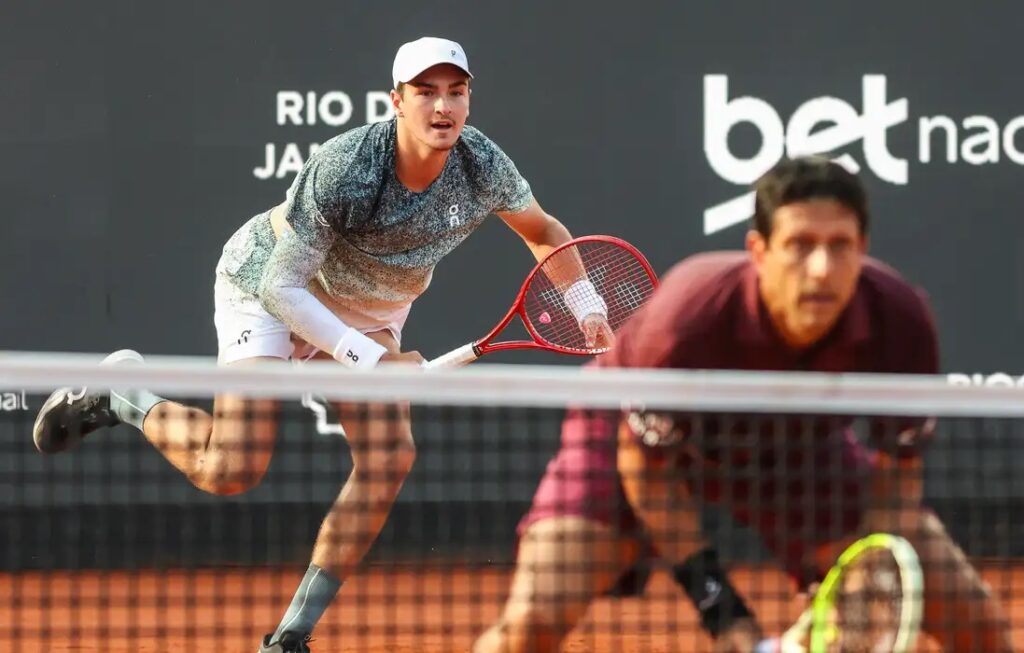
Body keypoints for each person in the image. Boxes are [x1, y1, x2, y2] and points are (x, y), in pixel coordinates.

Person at [31, 36, 613, 653]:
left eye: (455, 92)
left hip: (373, 304)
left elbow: (544, 231)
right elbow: (282, 288)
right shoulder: (349, 166)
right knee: (230, 470)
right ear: (397, 101)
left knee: (389, 458)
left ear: (469, 100)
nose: (442, 107)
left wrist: (587, 306)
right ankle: (123, 394)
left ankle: (290, 636)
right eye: (425, 92)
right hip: (270, 283)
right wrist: (373, 360)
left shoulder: (482, 163)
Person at [475, 155, 1014, 652]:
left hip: (798, 453)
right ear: (760, 251)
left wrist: (864, 576)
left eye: (840, 245)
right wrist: (724, 614)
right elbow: (648, 469)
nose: (822, 269)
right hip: (626, 440)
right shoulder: (688, 322)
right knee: (534, 620)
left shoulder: (900, 321)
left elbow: (898, 478)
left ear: (863, 247)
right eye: (801, 244)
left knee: (978, 623)